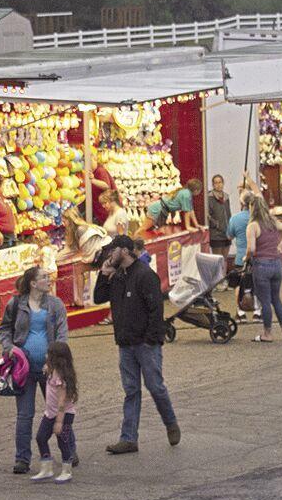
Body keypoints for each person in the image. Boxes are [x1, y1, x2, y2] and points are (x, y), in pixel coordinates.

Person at [93, 234, 179, 454]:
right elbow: (98, 297)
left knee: (155, 387)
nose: (109, 254)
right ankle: (128, 438)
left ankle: (170, 422)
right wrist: (104, 275)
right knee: (131, 390)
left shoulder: (144, 275)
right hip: (125, 343)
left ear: (124, 250)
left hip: (145, 344)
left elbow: (156, 309)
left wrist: (152, 339)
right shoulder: (117, 277)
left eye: (113, 250)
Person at [0, 265, 68, 474]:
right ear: (33, 283)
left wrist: (56, 359)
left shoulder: (55, 305)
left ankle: (69, 452)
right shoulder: (16, 304)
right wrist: (9, 348)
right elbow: (4, 329)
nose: (49, 280)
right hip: (24, 368)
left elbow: (62, 333)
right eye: (44, 277)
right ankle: (22, 459)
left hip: (50, 369)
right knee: (24, 415)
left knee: (58, 410)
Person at [246, 193, 282, 343]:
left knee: (265, 301)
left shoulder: (253, 226)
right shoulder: (273, 222)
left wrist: (246, 257)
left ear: (251, 208)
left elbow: (252, 248)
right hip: (276, 264)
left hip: (261, 265)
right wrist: (280, 246)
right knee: (276, 299)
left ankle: (267, 333)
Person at [30, 341, 79, 483]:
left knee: (63, 440)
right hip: (50, 413)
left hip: (63, 414)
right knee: (41, 437)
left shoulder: (62, 378)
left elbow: (62, 401)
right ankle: (46, 467)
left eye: (49, 354)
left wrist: (59, 421)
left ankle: (66, 470)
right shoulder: (51, 371)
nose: (46, 355)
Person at [228, 180, 255, 319]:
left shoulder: (235, 219)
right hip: (256, 255)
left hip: (240, 256)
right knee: (257, 283)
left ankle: (240, 312)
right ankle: (258, 312)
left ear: (241, 203)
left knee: (238, 284)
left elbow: (229, 235)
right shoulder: (256, 218)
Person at [205, 175, 232, 256]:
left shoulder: (226, 197)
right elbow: (207, 215)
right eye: (216, 183)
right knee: (217, 260)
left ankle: (224, 269)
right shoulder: (209, 197)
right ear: (213, 185)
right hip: (216, 235)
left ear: (223, 183)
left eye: (220, 182)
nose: (218, 185)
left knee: (225, 259)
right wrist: (216, 224)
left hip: (226, 234)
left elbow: (228, 213)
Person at [90, 161, 119, 226]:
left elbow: (106, 185)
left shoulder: (100, 171)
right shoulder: (94, 172)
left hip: (106, 210)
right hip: (102, 209)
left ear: (94, 159)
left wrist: (92, 180)